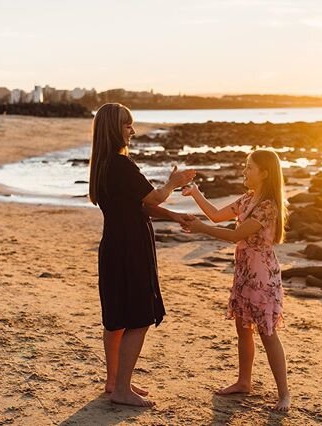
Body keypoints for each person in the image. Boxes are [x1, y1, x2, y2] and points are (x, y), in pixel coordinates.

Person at [88, 103, 195, 407]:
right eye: (127, 125)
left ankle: (114, 382)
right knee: (138, 317)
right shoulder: (122, 166)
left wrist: (174, 216)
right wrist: (173, 184)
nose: (132, 131)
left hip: (113, 246)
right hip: (130, 248)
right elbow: (153, 196)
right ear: (113, 129)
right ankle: (121, 389)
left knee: (116, 318)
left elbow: (142, 206)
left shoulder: (103, 165)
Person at [182, 149, 290, 411]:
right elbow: (217, 215)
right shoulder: (248, 199)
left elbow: (235, 234)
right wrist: (195, 192)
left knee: (267, 333)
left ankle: (284, 393)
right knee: (243, 328)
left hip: (262, 277)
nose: (244, 171)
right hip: (243, 274)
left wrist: (200, 229)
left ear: (264, 173)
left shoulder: (268, 207)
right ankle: (244, 381)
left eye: (249, 168)